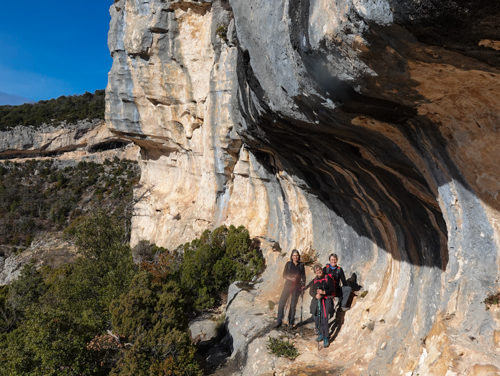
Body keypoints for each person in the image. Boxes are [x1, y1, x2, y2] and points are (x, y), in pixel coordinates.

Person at [276, 249, 306, 328]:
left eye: (297, 255)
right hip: (288, 285)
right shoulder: (288, 264)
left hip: (296, 287)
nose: (295, 257)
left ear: (298, 256)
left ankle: (291, 323)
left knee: (293, 305)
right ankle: (279, 321)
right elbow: (284, 275)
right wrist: (290, 278)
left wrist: (303, 284)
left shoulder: (301, 265)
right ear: (291, 256)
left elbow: (303, 276)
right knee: (282, 302)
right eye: (294, 255)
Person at [309, 264, 335, 348]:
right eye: (317, 271)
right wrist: (315, 295)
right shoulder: (314, 280)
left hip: (326, 299)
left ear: (322, 270)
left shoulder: (328, 278)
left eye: (319, 269)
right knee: (316, 317)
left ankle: (326, 337)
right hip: (317, 300)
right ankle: (320, 333)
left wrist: (324, 292)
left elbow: (332, 289)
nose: (319, 271)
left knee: (324, 318)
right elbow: (311, 291)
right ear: (315, 272)